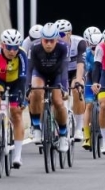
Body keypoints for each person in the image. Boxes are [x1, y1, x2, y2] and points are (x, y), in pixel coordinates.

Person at [26, 22, 71, 152]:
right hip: (40, 73)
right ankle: (36, 127)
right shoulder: (34, 47)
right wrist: (28, 88)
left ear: (57, 39)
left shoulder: (63, 47)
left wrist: (64, 88)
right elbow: (29, 69)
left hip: (57, 74)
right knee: (36, 91)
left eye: (52, 41)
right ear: (41, 39)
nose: (49, 44)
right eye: (46, 40)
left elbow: (64, 69)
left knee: (58, 102)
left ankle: (63, 134)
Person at [0, 29, 28, 169]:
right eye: (9, 47)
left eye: (15, 47)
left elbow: (24, 77)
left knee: (16, 113)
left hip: (16, 83)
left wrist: (23, 98)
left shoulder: (22, 54)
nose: (12, 51)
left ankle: (17, 155)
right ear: (3, 45)